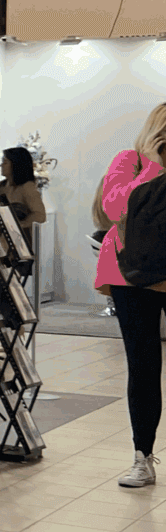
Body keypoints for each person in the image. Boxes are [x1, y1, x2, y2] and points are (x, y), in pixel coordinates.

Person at [95, 105, 166, 488]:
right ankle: (142, 458)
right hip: (130, 273)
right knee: (143, 367)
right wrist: (153, 166)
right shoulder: (131, 161)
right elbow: (113, 208)